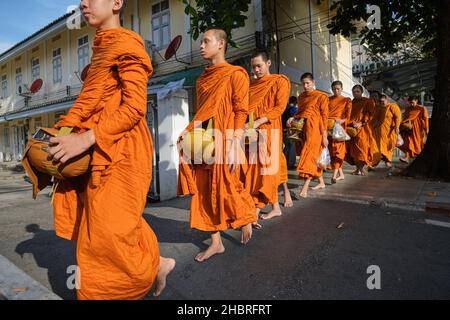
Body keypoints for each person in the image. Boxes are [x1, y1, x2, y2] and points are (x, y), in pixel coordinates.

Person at [46, 0, 174, 299]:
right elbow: (90, 103)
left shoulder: (127, 43)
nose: (83, 4)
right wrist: (63, 136)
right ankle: (157, 263)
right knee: (105, 226)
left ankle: (138, 276)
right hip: (98, 148)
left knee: (108, 234)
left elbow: (134, 108)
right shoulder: (101, 48)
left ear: (117, 3)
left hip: (123, 150)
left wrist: (84, 139)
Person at [177, 28, 256, 262]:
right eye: (201, 42)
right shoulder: (202, 79)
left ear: (221, 43)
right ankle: (216, 242)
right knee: (203, 192)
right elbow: (202, 113)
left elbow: (241, 111)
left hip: (226, 139)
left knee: (229, 187)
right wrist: (189, 138)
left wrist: (233, 144)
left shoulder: (236, 74)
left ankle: (245, 217)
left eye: (206, 41)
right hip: (204, 140)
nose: (201, 46)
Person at [244, 50, 292, 224]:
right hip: (252, 133)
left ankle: (256, 210)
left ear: (268, 63)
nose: (256, 70)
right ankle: (273, 208)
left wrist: (258, 122)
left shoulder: (280, 81)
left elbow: (279, 108)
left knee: (267, 171)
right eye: (253, 67)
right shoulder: (251, 85)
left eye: (259, 66)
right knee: (255, 171)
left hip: (270, 130)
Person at [287, 73, 329, 198]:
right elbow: (299, 113)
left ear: (313, 82)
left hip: (317, 131)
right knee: (313, 157)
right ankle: (321, 182)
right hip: (304, 129)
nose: (305, 86)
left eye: (308, 83)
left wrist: (325, 136)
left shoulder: (322, 96)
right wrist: (291, 118)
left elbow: (325, 117)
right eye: (303, 83)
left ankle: (305, 187)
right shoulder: (301, 97)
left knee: (309, 158)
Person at [346, 85, 379, 176]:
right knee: (354, 151)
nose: (355, 93)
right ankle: (358, 169)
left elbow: (369, 114)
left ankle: (361, 168)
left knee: (362, 149)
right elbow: (348, 115)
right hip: (352, 129)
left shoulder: (367, 101)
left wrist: (362, 123)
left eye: (357, 92)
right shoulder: (352, 102)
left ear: (361, 92)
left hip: (363, 129)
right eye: (354, 92)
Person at [328, 81, 352, 184]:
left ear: (342, 89)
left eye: (338, 89)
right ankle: (340, 174)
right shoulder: (328, 99)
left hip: (339, 129)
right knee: (331, 152)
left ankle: (334, 176)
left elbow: (349, 116)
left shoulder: (346, 100)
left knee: (338, 151)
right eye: (334, 89)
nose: (336, 91)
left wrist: (343, 120)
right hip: (329, 127)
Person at [371, 94, 402, 168]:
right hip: (379, 132)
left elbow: (398, 117)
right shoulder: (379, 108)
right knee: (378, 147)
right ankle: (375, 162)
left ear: (387, 100)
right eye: (380, 102)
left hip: (390, 132)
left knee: (388, 148)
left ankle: (388, 161)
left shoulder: (393, 106)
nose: (382, 103)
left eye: (383, 101)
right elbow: (375, 118)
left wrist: (397, 127)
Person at [399, 96, 429, 163]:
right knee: (408, 142)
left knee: (417, 144)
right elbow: (405, 118)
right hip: (408, 128)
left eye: (413, 102)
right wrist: (403, 125)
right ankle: (406, 157)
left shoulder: (422, 108)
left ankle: (415, 157)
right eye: (410, 103)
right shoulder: (408, 108)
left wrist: (426, 129)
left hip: (418, 129)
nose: (411, 104)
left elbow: (425, 119)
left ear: (416, 101)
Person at [282, 96, 299, 169]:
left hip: (283, 130)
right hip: (291, 130)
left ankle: (285, 162)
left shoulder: (284, 109)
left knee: (286, 146)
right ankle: (291, 163)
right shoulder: (294, 109)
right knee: (291, 146)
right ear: (296, 102)